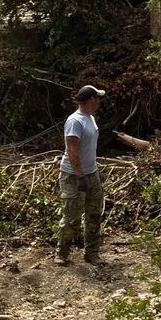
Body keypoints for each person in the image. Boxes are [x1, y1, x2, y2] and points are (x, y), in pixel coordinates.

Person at [55, 85, 105, 266]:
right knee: (72, 216)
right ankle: (62, 253)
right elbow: (72, 150)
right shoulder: (75, 121)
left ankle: (91, 253)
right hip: (73, 175)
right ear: (92, 100)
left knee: (94, 214)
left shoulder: (90, 118)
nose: (99, 101)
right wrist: (80, 176)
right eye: (98, 98)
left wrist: (91, 172)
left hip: (91, 173)